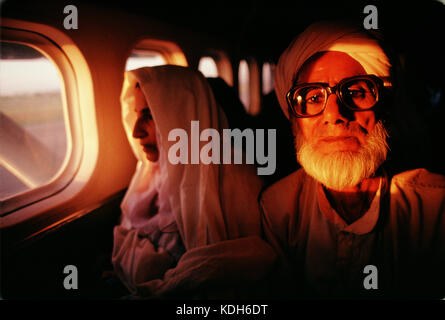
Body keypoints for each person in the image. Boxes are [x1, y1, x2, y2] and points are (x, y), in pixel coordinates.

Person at [260, 20, 445, 299]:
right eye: (312, 98)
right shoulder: (278, 209)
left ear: (383, 106)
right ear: (295, 121)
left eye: (356, 92)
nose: (334, 114)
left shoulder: (434, 207)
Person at [111, 65, 275, 299]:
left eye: (150, 115)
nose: (136, 132)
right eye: (136, 115)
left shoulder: (233, 183)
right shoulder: (148, 177)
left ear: (179, 118)